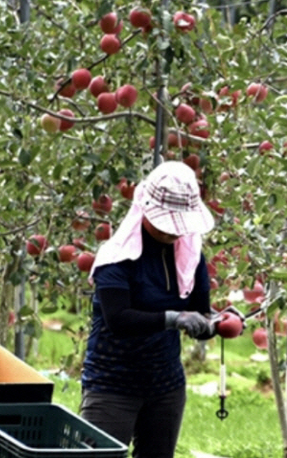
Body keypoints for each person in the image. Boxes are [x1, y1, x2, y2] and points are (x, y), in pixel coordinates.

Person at [79, 160, 218, 458]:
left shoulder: (190, 256)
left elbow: (200, 310)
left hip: (166, 385)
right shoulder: (117, 257)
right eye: (166, 222)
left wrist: (215, 323)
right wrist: (174, 319)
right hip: (112, 384)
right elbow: (119, 319)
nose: (173, 232)